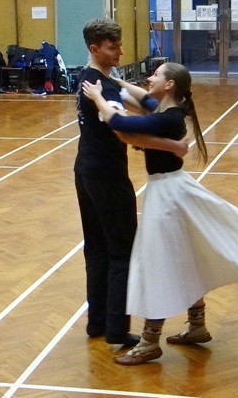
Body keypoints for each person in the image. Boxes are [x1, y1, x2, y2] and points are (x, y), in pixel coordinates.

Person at [81, 62, 238, 365]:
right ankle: (197, 325)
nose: (150, 77)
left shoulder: (169, 117)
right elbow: (143, 98)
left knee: (158, 263)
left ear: (170, 85)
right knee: (187, 255)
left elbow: (120, 125)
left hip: (167, 195)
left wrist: (99, 95)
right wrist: (116, 84)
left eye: (156, 75)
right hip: (173, 189)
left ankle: (150, 341)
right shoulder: (167, 110)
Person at [74, 18, 188, 349]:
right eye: (113, 47)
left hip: (85, 171)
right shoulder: (103, 90)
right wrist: (173, 146)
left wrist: (123, 83)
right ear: (95, 48)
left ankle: (97, 322)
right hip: (107, 177)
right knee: (121, 251)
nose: (120, 51)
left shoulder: (93, 79)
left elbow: (145, 103)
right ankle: (116, 329)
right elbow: (124, 130)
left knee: (96, 248)